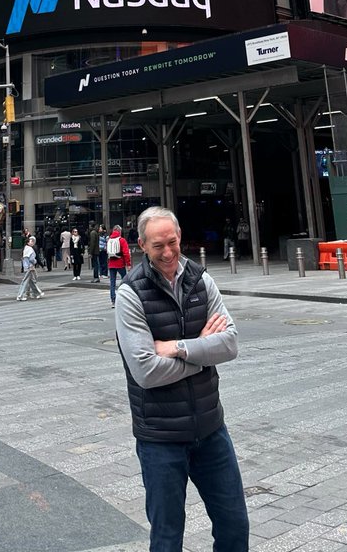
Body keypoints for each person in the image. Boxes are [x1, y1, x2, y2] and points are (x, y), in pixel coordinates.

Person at [115, 206, 248, 552]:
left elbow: (230, 343)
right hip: (160, 438)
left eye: (172, 242)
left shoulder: (201, 279)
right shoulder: (130, 294)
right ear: (142, 245)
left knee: (235, 525)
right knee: (167, 537)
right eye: (158, 246)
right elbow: (145, 371)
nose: (169, 252)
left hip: (211, 430)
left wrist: (176, 347)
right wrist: (203, 353)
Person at [106, 224, 132, 307]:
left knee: (112, 283)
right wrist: (128, 264)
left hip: (111, 264)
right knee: (125, 281)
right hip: (120, 263)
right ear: (120, 231)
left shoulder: (109, 240)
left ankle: (113, 300)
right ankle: (125, 297)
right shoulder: (122, 240)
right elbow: (126, 253)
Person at [16, 236, 44, 301]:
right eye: (31, 241)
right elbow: (31, 259)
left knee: (31, 281)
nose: (32, 242)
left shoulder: (25, 248)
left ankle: (37, 293)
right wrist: (35, 261)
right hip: (30, 267)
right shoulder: (30, 249)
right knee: (26, 281)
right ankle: (20, 295)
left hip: (26, 267)